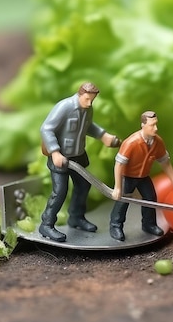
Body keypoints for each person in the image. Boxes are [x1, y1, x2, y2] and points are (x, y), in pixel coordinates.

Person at [39, 82, 120, 242]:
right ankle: (46, 225)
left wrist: (103, 136)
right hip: (61, 158)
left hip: (78, 156)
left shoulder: (88, 109)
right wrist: (55, 152)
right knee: (60, 192)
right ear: (80, 94)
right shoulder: (64, 107)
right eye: (87, 99)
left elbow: (87, 126)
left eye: (92, 100)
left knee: (83, 186)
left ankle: (76, 217)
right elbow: (46, 128)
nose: (90, 103)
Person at [109, 111, 173, 241]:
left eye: (156, 124)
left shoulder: (157, 142)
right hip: (127, 176)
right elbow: (118, 165)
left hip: (144, 177)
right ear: (143, 125)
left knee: (150, 198)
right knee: (123, 200)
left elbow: (165, 161)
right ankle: (115, 226)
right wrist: (117, 187)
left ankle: (149, 224)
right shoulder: (131, 142)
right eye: (152, 125)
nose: (156, 128)